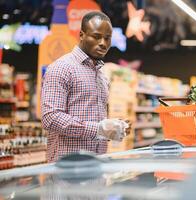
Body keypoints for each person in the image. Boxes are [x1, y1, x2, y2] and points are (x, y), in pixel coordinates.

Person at [41, 11, 130, 163]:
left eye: (107, 38)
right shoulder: (61, 68)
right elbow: (50, 118)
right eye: (96, 36)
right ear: (82, 35)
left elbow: (96, 123)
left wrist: (113, 128)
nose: (103, 42)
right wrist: (98, 129)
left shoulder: (102, 76)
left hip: (97, 166)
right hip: (68, 169)